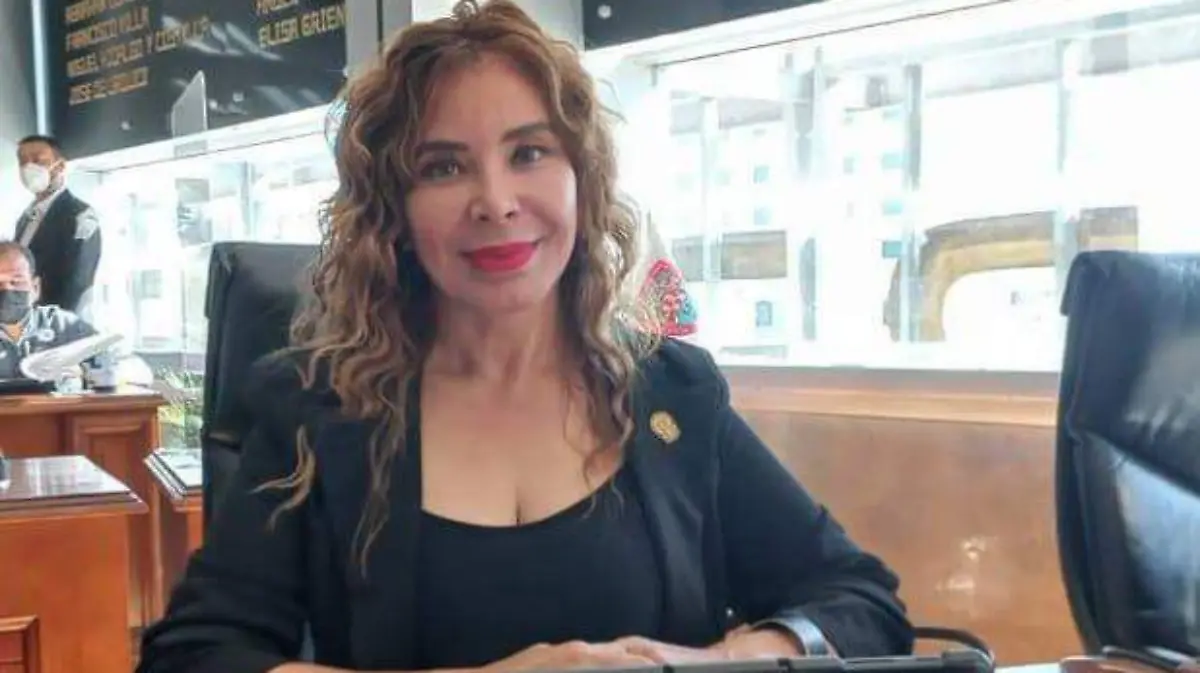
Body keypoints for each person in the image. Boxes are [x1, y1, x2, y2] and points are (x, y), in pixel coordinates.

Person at [137, 2, 914, 672]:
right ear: (394, 211)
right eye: (443, 168)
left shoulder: (672, 391)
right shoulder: (313, 406)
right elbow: (195, 655)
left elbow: (858, 600)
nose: (497, 201)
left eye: (529, 153)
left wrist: (710, 661)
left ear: (582, 178)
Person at [14, 134, 102, 316]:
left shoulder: (80, 215)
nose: (28, 167)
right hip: (22, 323)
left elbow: (78, 283)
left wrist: (52, 327)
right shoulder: (25, 219)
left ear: (60, 166)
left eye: (38, 160)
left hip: (55, 324)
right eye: (23, 161)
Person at [0, 241, 98, 379]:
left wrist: (84, 371)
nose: (7, 291)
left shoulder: (62, 325)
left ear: (35, 288)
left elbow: (113, 361)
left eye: (16, 282)